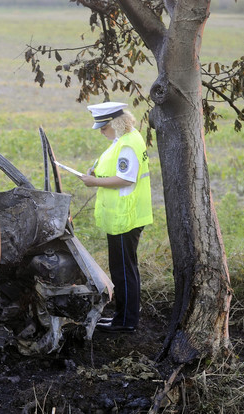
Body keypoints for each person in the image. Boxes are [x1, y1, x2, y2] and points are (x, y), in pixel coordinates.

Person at [78, 102, 153, 333]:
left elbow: (126, 178)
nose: (101, 131)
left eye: (103, 127)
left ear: (116, 123)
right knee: (125, 269)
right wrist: (97, 172)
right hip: (125, 215)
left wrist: (94, 182)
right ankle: (125, 317)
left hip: (125, 217)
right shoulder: (124, 138)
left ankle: (125, 322)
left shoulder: (128, 144)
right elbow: (117, 168)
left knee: (123, 271)